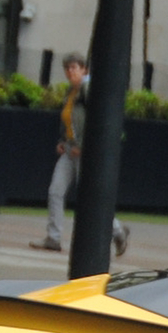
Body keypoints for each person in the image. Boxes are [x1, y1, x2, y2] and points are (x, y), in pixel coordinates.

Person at [33, 53, 127, 257]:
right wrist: (63, 140)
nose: (70, 72)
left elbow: (98, 120)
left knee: (92, 196)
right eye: (67, 68)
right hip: (69, 150)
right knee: (55, 191)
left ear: (84, 69)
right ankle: (53, 238)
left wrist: (85, 145)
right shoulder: (72, 91)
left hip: (86, 152)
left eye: (74, 67)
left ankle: (117, 230)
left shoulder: (87, 89)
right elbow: (69, 120)